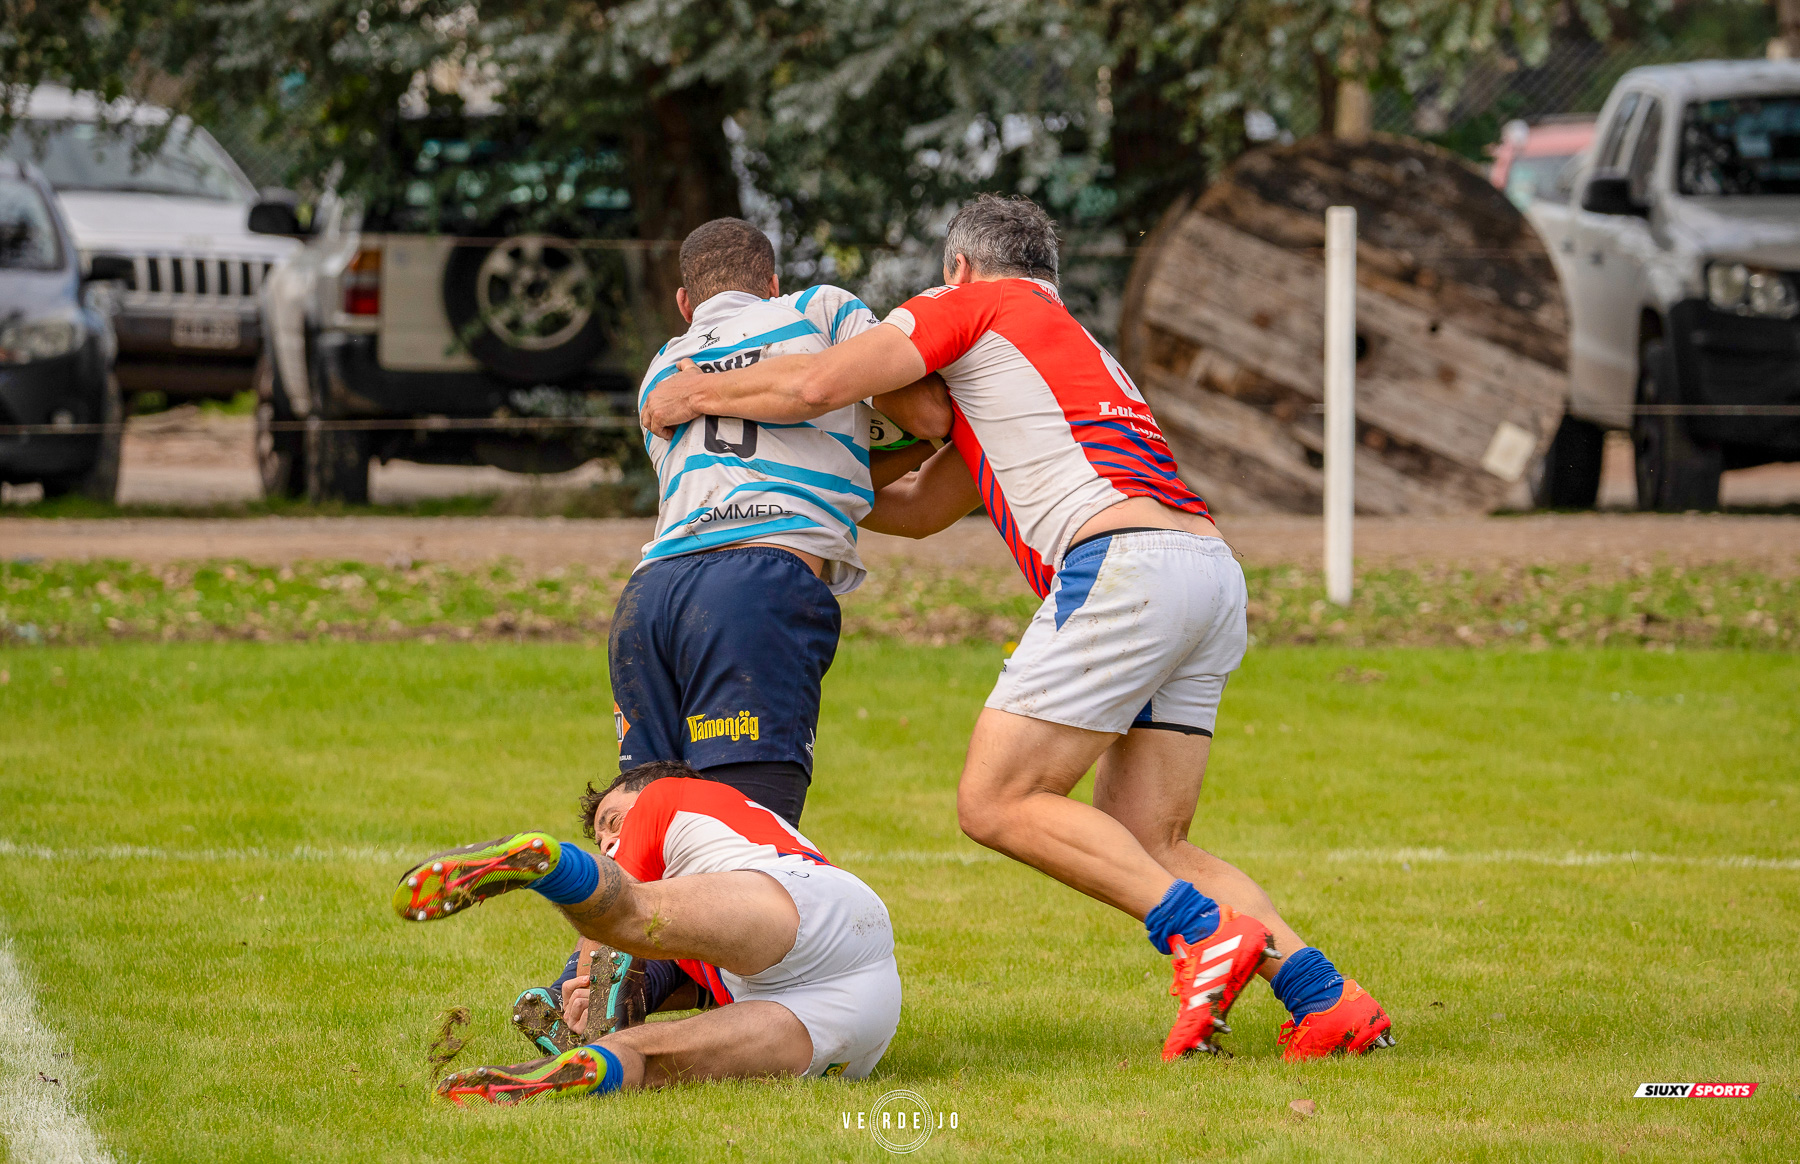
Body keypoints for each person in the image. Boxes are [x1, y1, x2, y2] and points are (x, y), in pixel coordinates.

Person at [640, 194, 1393, 1061]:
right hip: (1206, 570)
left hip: (1123, 568)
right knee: (1149, 841)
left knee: (994, 800)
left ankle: (1197, 934)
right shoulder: (1054, 350)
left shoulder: (969, 306)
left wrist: (695, 390)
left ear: (957, 269)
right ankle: (1324, 998)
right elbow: (921, 509)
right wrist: (807, 491)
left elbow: (819, 381)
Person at [520, 218, 949, 1051]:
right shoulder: (822, 311)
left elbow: (794, 441)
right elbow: (921, 407)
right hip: (756, 590)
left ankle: (577, 988)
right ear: (774, 280)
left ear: (686, 302)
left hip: (651, 596)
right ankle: (629, 994)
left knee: (647, 826)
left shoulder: (663, 369)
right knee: (743, 838)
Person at [393, 760, 902, 1104]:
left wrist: (582, 980)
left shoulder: (666, 794)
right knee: (651, 1061)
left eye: (614, 822)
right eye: (599, 839)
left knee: (631, 914)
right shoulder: (701, 924)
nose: (612, 841)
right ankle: (567, 1073)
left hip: (813, 907)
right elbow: (679, 983)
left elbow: (623, 921)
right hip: (859, 1024)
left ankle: (546, 866)